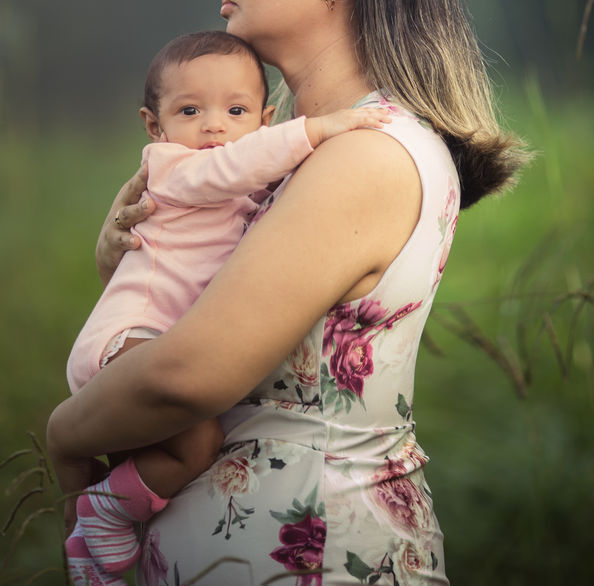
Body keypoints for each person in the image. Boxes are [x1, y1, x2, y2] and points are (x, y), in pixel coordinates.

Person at [47, 0, 528, 585]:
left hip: (319, 554)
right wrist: (131, 262)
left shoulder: (363, 154)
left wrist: (65, 432)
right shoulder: (289, 152)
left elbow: (190, 374)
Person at [64, 29, 392, 582]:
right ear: (155, 125)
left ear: (262, 118)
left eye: (236, 110)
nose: (214, 125)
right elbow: (234, 167)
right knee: (200, 440)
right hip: (127, 341)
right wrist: (317, 129)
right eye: (190, 109)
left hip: (162, 347)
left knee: (181, 455)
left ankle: (99, 531)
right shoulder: (172, 168)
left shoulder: (247, 188)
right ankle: (102, 512)